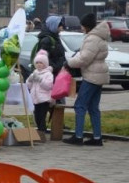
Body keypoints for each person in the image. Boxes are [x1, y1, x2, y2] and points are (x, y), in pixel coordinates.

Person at [64, 13, 109, 146]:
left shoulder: (92, 39)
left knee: (80, 105)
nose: (82, 28)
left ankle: (78, 136)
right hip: (99, 74)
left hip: (92, 76)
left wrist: (69, 63)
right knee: (93, 107)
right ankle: (97, 137)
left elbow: (84, 59)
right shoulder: (100, 37)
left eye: (83, 26)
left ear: (87, 26)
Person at [26, 49, 53, 134]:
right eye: (37, 63)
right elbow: (28, 86)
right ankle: (39, 128)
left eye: (41, 63)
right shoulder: (34, 73)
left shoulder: (48, 74)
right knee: (36, 115)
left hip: (44, 98)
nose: (38, 65)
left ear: (45, 64)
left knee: (42, 115)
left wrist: (40, 79)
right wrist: (30, 80)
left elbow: (48, 86)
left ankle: (42, 130)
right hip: (35, 97)